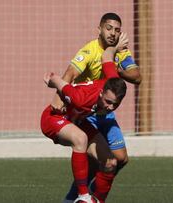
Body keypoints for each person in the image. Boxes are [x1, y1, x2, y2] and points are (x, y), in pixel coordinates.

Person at [52, 13, 142, 203]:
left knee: (122, 159)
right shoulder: (89, 50)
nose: (112, 33)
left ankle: (87, 197)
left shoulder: (121, 51)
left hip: (106, 114)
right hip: (89, 113)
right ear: (99, 29)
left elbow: (137, 76)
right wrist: (59, 97)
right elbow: (70, 73)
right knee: (99, 161)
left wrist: (111, 62)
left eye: (117, 30)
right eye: (108, 28)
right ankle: (78, 198)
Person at [41, 34, 129, 203]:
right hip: (53, 119)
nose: (110, 107)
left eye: (115, 104)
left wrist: (115, 47)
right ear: (102, 92)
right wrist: (51, 80)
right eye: (108, 102)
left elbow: (106, 56)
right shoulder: (81, 98)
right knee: (80, 138)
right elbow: (59, 81)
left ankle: (95, 201)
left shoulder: (113, 81)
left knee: (111, 162)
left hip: (78, 121)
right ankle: (83, 196)